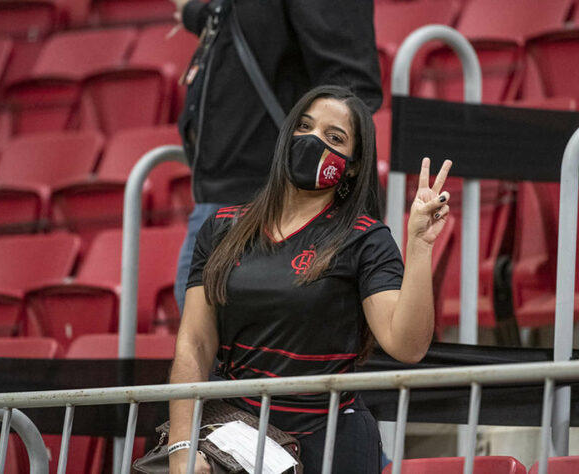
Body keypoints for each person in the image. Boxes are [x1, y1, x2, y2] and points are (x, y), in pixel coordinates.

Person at [168, 85, 452, 474]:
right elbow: (195, 342)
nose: (313, 140)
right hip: (235, 441)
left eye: (334, 137)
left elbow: (406, 345)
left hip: (331, 444)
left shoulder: (364, 238)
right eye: (304, 126)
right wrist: (182, 449)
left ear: (352, 165)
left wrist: (418, 247)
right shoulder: (221, 228)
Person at [169, 0, 383, 313]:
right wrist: (195, 14)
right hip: (231, 197)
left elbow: (350, 89)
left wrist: (310, 194)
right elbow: (261, 29)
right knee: (212, 341)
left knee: (260, 346)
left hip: (279, 202)